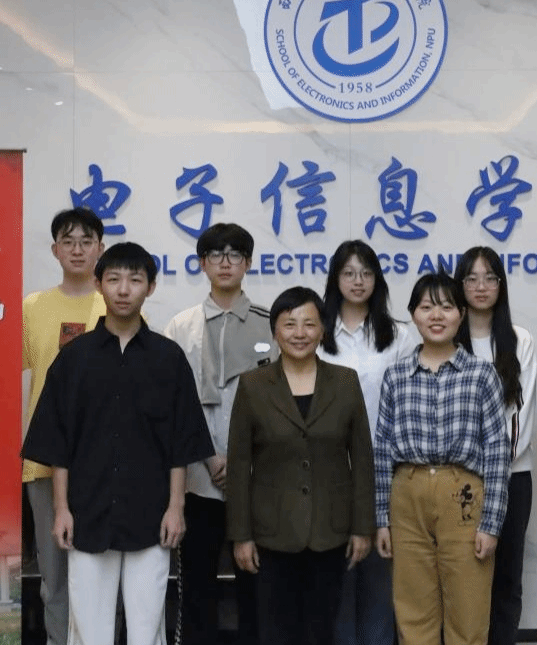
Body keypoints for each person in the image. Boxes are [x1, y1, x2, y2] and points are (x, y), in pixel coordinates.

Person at [22, 242, 214, 645]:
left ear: (151, 287)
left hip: (152, 515)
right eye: (114, 279)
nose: (124, 289)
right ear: (99, 284)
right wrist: (61, 509)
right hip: (86, 512)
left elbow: (180, 443)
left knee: (147, 630)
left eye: (135, 280)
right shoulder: (74, 359)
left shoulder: (168, 358)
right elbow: (58, 443)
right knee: (89, 631)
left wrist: (176, 508)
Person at [227, 286, 376, 645]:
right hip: (270, 534)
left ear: (323, 330)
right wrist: (241, 536)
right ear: (275, 331)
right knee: (275, 633)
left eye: (309, 324)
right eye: (289, 324)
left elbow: (362, 459)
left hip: (330, 531)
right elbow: (239, 465)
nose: (299, 333)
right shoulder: (253, 385)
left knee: (320, 632)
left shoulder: (345, 382)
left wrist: (362, 528)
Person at [374, 272, 509, 645]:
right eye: (426, 307)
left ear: (461, 314)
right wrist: (381, 519)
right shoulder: (396, 376)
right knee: (413, 610)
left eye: (447, 307)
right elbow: (382, 447)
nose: (436, 315)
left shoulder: (481, 375)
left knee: (469, 606)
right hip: (407, 493)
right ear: (413, 315)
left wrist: (491, 523)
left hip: (463, 494)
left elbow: (497, 450)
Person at [164, 223, 274, 645]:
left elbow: (282, 404)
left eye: (235, 254)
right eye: (215, 255)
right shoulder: (181, 327)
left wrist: (244, 461)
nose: (225, 263)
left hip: (259, 481)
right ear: (202, 263)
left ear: (248, 263)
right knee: (197, 588)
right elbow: (176, 406)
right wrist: (210, 458)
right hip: (197, 479)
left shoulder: (272, 324)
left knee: (257, 586)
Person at [318, 240, 417, 645]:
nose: (358, 281)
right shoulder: (316, 332)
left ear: (377, 279)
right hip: (329, 471)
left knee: (379, 575)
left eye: (366, 273)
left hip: (384, 469)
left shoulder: (400, 337)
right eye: (348, 273)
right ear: (335, 279)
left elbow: (410, 404)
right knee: (337, 577)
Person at [22, 207, 106, 645]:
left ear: (100, 249)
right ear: (55, 250)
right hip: (43, 463)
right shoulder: (31, 308)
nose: (77, 249)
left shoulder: (116, 305)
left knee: (101, 575)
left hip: (103, 465)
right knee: (53, 578)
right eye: (68, 241)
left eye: (86, 241)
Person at [453, 247, 537, 645]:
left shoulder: (520, 341)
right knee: (461, 577)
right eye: (471, 278)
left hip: (512, 478)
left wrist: (492, 468)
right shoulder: (447, 340)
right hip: (457, 480)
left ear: (501, 285)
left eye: (490, 278)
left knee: (506, 578)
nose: (481, 286)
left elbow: (521, 416)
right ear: (460, 285)